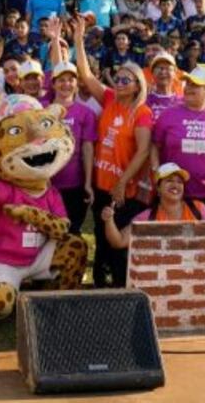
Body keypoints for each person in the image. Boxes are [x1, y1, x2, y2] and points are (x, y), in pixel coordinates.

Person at [72, 15, 152, 288]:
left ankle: (119, 286)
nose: (119, 82)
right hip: (102, 183)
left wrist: (121, 182)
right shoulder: (108, 98)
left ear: (138, 85)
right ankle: (99, 282)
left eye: (126, 79)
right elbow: (85, 74)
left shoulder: (142, 112)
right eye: (117, 77)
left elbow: (142, 152)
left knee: (117, 237)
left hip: (125, 188)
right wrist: (78, 39)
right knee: (101, 231)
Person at [101, 163, 205, 250]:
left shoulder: (198, 208)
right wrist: (109, 220)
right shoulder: (148, 217)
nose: (175, 185)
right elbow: (119, 242)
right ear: (158, 188)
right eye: (169, 181)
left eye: (179, 182)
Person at [49, 62, 97, 235]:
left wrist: (88, 183)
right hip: (46, 184)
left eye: (71, 80)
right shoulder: (41, 109)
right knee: (47, 231)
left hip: (74, 184)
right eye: (61, 80)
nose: (66, 84)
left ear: (76, 84)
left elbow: (87, 148)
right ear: (53, 83)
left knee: (72, 231)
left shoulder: (86, 113)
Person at [152, 64, 205, 201]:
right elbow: (155, 145)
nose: (188, 88)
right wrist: (156, 170)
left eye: (195, 85)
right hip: (173, 194)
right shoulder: (168, 114)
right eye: (187, 83)